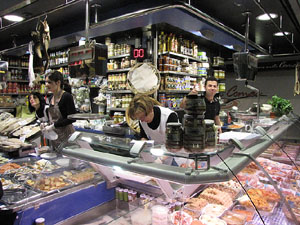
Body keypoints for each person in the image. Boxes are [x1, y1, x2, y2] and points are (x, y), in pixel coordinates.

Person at [43, 71, 76, 151]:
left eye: (49, 82)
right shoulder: (50, 98)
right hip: (54, 136)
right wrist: (46, 124)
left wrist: (54, 126)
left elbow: (72, 118)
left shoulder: (66, 96)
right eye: (46, 82)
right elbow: (52, 118)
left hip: (66, 136)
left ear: (58, 82)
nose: (46, 85)